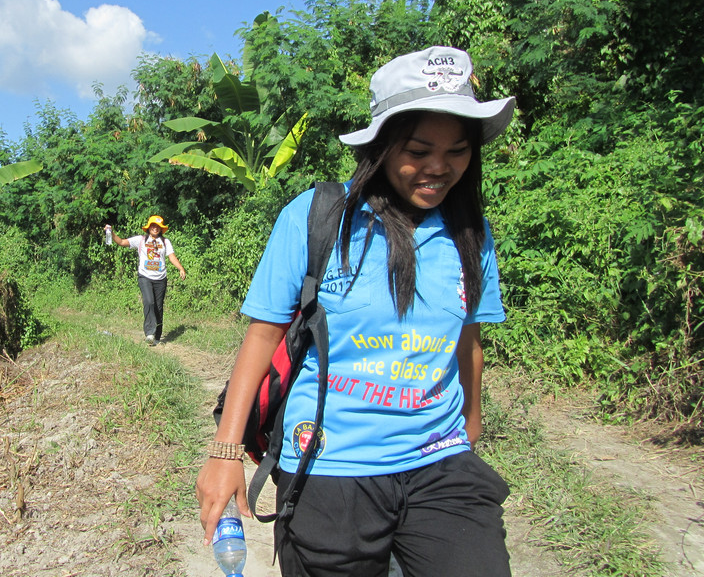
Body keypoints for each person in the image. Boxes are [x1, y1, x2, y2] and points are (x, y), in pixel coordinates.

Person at [195, 46, 516, 576]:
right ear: (381, 147)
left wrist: (470, 429)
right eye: (419, 150)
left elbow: (468, 340)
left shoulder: (470, 233)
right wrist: (225, 453)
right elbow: (263, 336)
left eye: (457, 151)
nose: (439, 168)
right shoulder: (316, 217)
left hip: (439, 459)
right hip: (329, 465)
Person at [108, 215, 186, 346]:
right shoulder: (141, 240)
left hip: (161, 279)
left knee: (158, 307)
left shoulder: (165, 242)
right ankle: (150, 333)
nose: (155, 228)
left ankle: (157, 337)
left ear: (161, 229)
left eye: (158, 226)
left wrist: (181, 268)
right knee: (149, 302)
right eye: (153, 225)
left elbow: (171, 256)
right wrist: (111, 233)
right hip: (145, 277)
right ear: (149, 227)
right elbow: (121, 242)